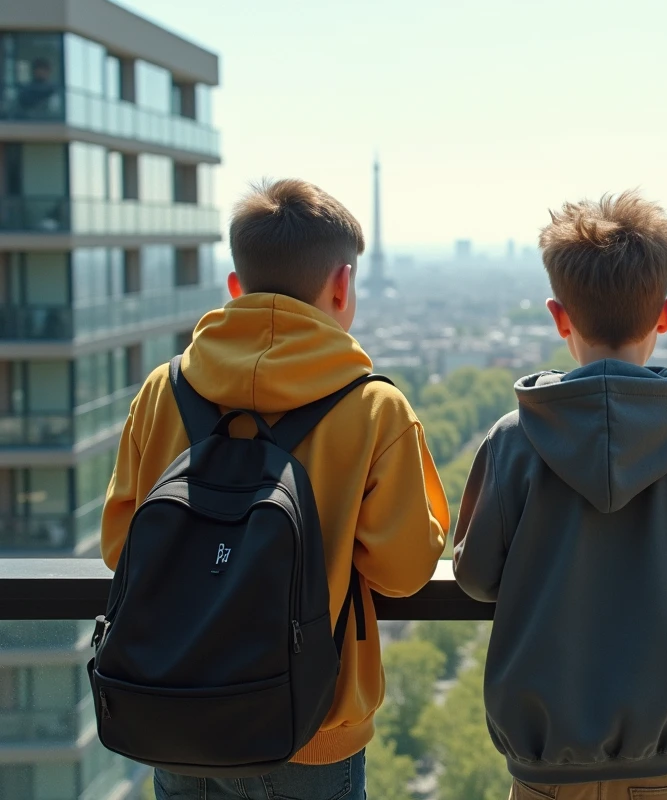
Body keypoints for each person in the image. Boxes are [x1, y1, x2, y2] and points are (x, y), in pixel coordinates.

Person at [100, 179, 450, 800]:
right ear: (342, 285)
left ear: (236, 286)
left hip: (170, 708)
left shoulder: (163, 391)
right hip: (308, 725)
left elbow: (119, 547)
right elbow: (403, 571)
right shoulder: (373, 408)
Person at [454, 191, 667, 800]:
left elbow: (474, 576)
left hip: (545, 767)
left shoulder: (512, 441)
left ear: (559, 317)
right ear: (666, 313)